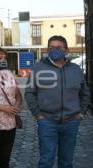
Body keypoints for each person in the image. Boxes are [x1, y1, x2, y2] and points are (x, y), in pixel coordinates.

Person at [25, 35, 90, 168]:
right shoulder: (38, 69)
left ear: (66, 50)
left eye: (58, 47)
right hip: (47, 121)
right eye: (51, 48)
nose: (55, 50)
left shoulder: (75, 69)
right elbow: (30, 93)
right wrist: (38, 115)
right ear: (47, 50)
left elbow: (85, 93)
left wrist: (81, 113)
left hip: (71, 121)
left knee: (66, 162)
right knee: (46, 161)